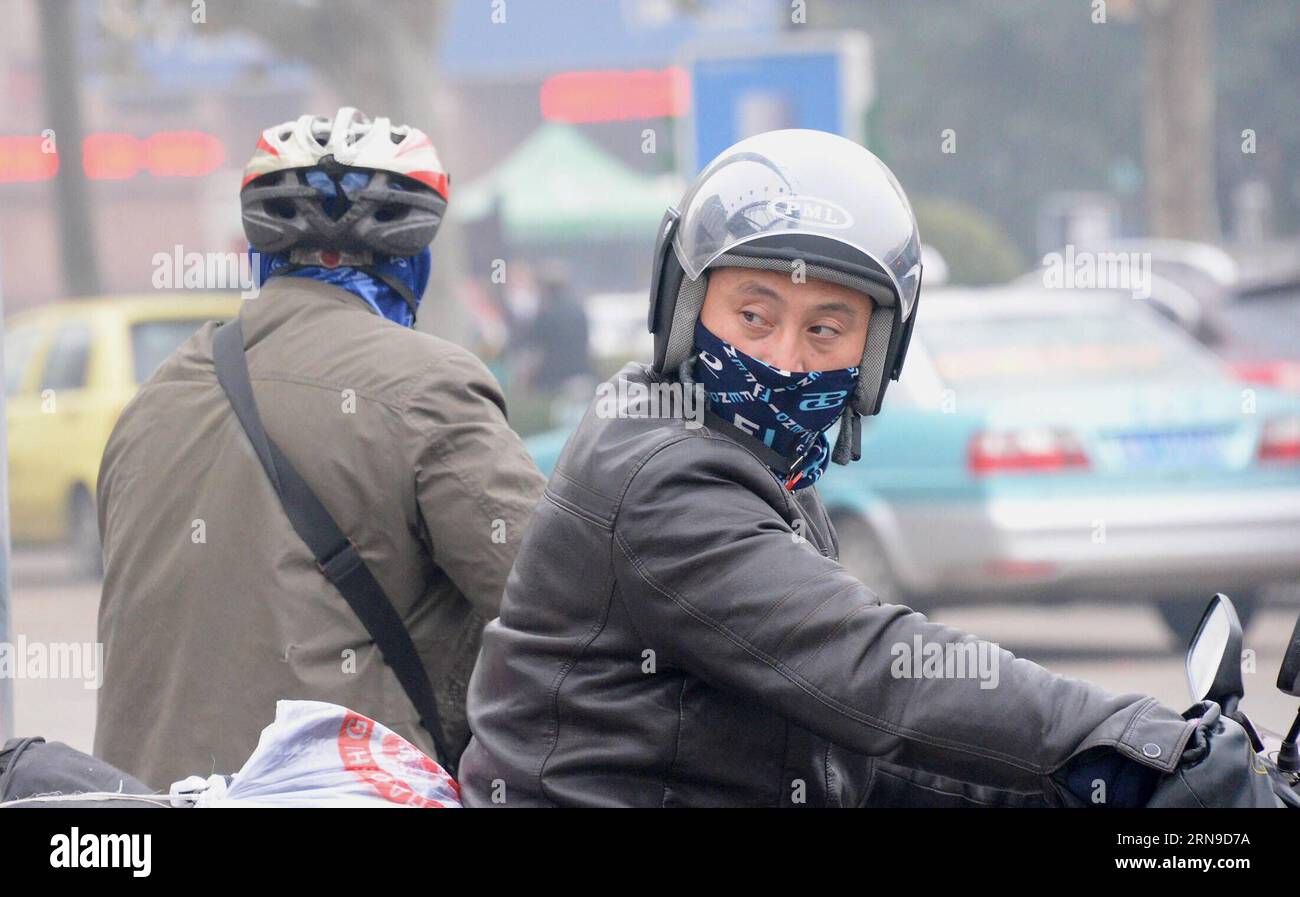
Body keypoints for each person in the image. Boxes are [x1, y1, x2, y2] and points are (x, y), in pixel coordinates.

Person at [457, 129, 1249, 807]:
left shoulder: (767, 471)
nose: (784, 359)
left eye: (826, 330)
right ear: (685, 307)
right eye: (754, 315)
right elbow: (877, 666)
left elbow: (845, 748)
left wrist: (1085, 782)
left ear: (872, 359)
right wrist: (1136, 741)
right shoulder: (662, 473)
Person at [95, 108, 545, 789]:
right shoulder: (430, 387)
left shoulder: (151, 399)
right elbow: (557, 607)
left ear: (260, 259)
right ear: (415, 266)